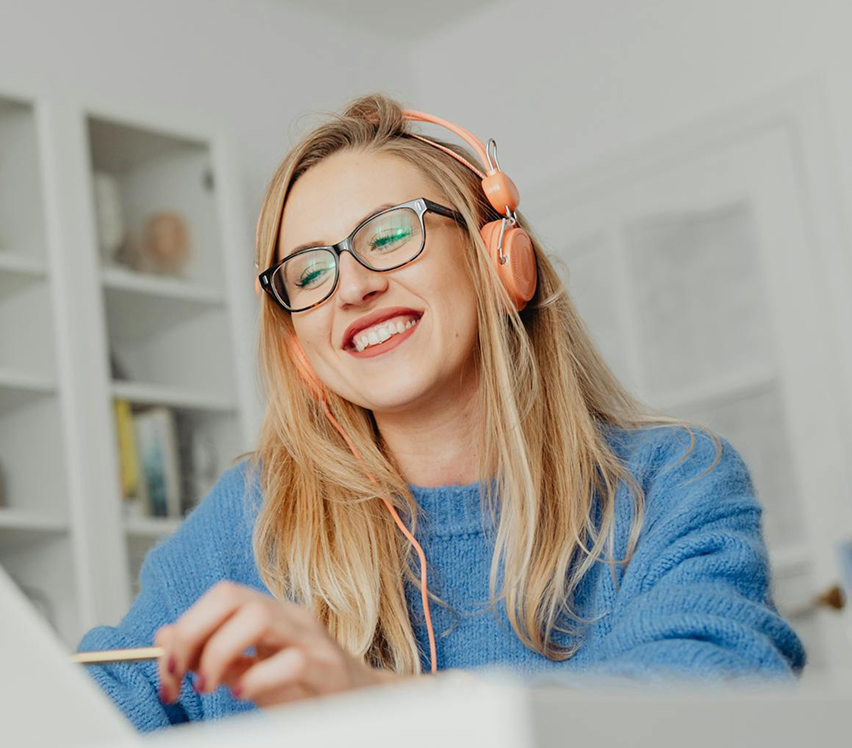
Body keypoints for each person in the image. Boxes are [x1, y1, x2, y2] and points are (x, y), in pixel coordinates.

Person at [77, 93, 804, 731]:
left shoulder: (673, 485)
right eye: (309, 273)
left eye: (390, 235)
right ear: (302, 347)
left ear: (499, 260)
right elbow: (90, 706)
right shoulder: (250, 519)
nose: (351, 288)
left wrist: (375, 704)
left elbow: (710, 709)